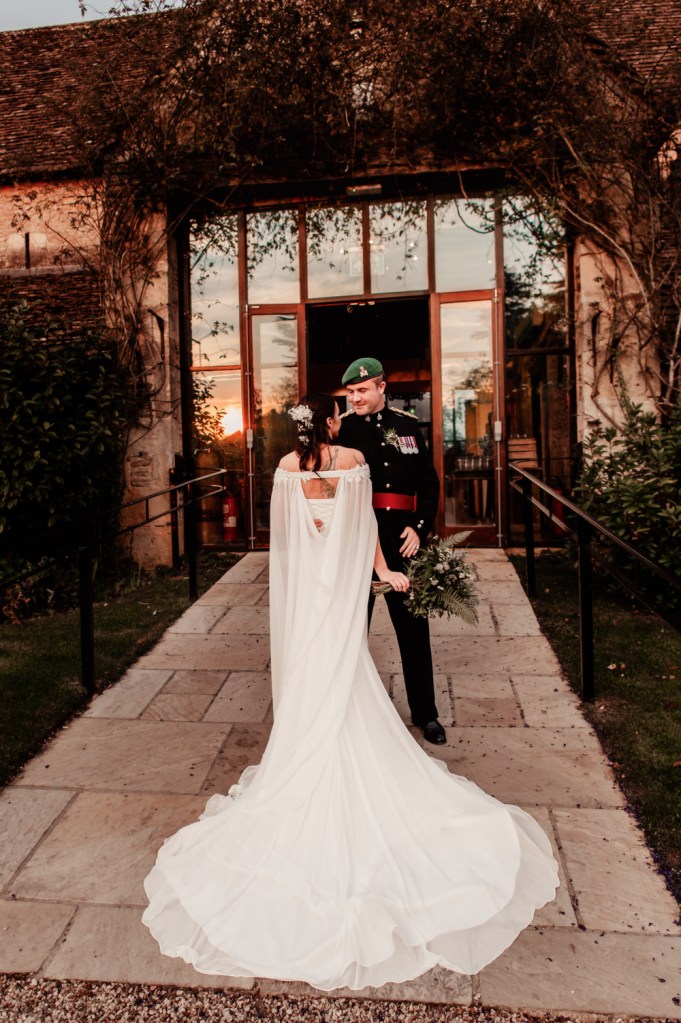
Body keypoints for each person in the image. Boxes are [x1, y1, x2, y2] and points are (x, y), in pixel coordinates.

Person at [142, 393, 559, 992]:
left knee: (314, 678)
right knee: (349, 670)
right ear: (332, 424)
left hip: (311, 595)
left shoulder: (287, 471)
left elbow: (285, 544)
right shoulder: (353, 465)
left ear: (297, 430)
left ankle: (308, 753)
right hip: (342, 593)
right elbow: (363, 528)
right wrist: (384, 572)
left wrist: (307, 582)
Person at [336, 358, 445, 744]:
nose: (355, 398)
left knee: (413, 629)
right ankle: (346, 709)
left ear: (383, 387)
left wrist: (419, 529)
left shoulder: (407, 426)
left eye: (362, 390)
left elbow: (427, 485)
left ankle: (426, 713)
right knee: (352, 627)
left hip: (401, 541)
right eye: (350, 392)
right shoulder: (341, 430)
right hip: (357, 541)